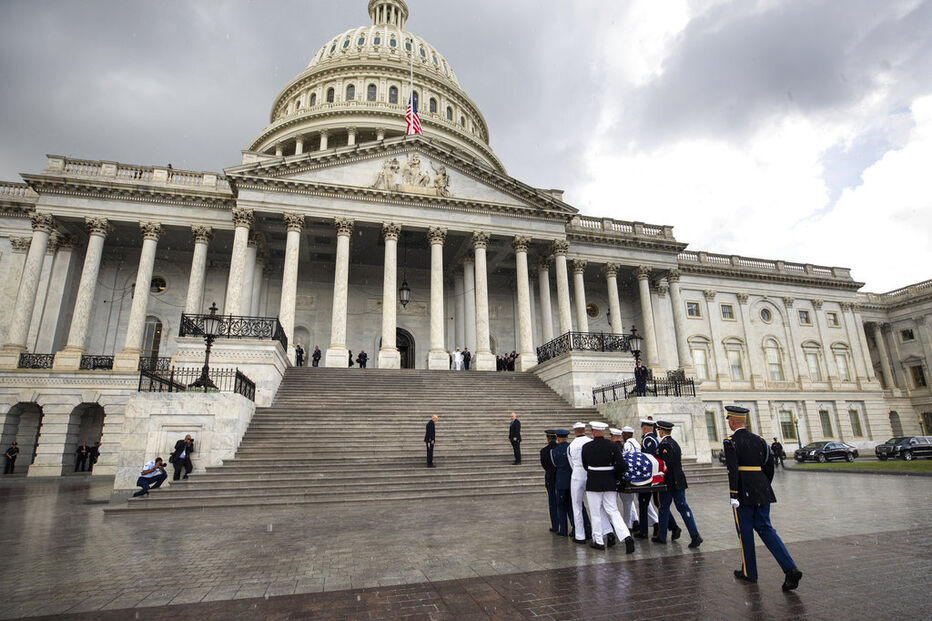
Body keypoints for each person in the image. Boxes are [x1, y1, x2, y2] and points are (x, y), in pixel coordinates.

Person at [724, 406, 802, 590]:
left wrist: (734, 494)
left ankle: (750, 572)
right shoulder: (759, 440)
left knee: (745, 532)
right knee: (766, 528)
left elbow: (732, 470)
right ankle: (790, 568)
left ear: (733, 422)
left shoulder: (731, 441)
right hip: (762, 489)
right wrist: (763, 485)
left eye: (729, 421)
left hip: (743, 491)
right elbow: (769, 465)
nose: (729, 423)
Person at [582, 422, 635, 553]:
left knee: (595, 512)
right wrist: (614, 476)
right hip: (609, 482)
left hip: (593, 482)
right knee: (613, 510)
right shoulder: (613, 446)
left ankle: (598, 541)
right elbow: (621, 465)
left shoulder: (586, 447)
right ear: (604, 432)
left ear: (593, 432)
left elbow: (585, 465)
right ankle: (626, 536)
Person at [654, 421, 703, 549]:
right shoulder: (674, 443)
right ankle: (695, 535)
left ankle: (662, 536)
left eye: (659, 430)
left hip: (668, 482)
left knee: (663, 507)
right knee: (683, 507)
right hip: (679, 481)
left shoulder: (664, 445)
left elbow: (666, 464)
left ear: (662, 431)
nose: (659, 432)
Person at [637, 419, 676, 540]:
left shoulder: (648, 440)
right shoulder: (651, 438)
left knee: (646, 503)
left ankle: (644, 531)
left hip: (650, 477)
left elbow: (650, 458)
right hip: (652, 476)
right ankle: (673, 527)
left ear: (644, 428)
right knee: (656, 503)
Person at [567, 422, 592, 544]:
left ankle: (580, 535)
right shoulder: (590, 442)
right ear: (584, 430)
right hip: (591, 473)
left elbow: (571, 462)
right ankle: (600, 532)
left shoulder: (571, 445)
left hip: (577, 474)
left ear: (575, 431)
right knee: (596, 505)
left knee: (577, 505)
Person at [550, 430, 575, 536]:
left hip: (560, 481)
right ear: (567, 438)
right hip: (572, 480)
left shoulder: (554, 451)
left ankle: (563, 529)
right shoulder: (572, 448)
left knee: (560, 506)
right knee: (572, 505)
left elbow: (554, 465)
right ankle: (575, 526)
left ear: (558, 439)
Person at [539, 430, 558, 532]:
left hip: (550, 479)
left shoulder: (544, 451)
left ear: (547, 438)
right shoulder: (560, 448)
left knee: (552, 503)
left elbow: (544, 466)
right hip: (560, 478)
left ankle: (555, 525)